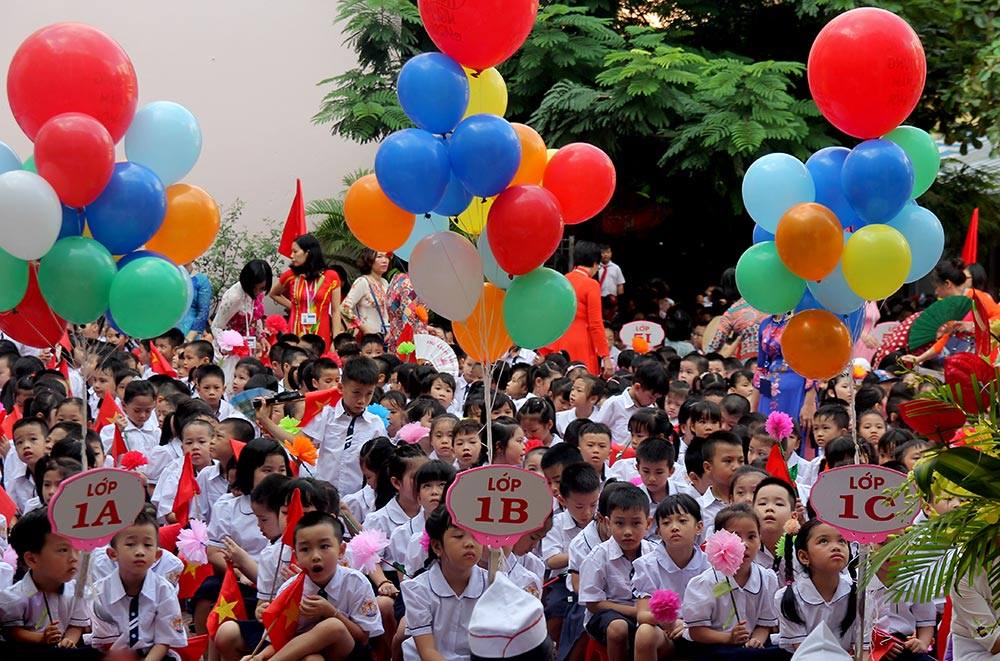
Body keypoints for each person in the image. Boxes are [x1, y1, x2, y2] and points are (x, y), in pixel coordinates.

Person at [89, 506, 187, 657]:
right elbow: (106, 643)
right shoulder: (99, 593)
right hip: (111, 653)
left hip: (153, 654)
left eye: (147, 545)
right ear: (112, 554)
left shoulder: (164, 590)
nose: (140, 551)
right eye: (130, 544)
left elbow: (164, 641)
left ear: (157, 555)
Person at [400, 505, 488, 661]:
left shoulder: (492, 584)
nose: (469, 543)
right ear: (437, 546)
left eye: (476, 536)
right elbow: (428, 651)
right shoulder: (418, 590)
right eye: (459, 536)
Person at [579, 484, 656, 661]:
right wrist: (635, 611)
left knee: (651, 632)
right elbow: (593, 604)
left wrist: (645, 613)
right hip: (606, 616)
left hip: (644, 613)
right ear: (607, 523)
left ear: (648, 523)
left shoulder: (655, 553)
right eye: (619, 523)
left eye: (636, 523)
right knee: (619, 628)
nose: (627, 532)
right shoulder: (598, 556)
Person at [776, 520, 861, 656]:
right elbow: (804, 652)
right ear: (804, 556)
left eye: (842, 541)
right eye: (823, 541)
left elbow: (864, 650)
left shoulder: (860, 596)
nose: (836, 547)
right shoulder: (788, 598)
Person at [547, 241, 611, 375]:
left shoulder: (563, 280)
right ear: (595, 263)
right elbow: (595, 324)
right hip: (582, 343)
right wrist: (605, 356)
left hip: (561, 341)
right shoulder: (591, 284)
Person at [270, 233, 343, 348]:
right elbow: (274, 294)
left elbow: (335, 311)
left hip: (321, 333)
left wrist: (336, 339)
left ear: (307, 253)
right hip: (295, 332)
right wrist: (294, 307)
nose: (291, 255)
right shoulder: (290, 275)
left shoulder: (331, 276)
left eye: (295, 251)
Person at [212, 259, 273, 387]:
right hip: (231, 353)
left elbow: (255, 317)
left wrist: (260, 336)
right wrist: (231, 345)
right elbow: (216, 327)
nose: (258, 292)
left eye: (262, 288)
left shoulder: (257, 293)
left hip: (249, 349)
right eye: (256, 288)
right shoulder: (234, 298)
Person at [755, 313, 815, 425]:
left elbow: (813, 363)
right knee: (766, 429)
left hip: (797, 386)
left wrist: (809, 404)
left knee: (794, 431)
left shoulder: (803, 321)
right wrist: (755, 406)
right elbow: (762, 367)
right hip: (768, 386)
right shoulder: (765, 323)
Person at [705, 269, 767, 362]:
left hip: (751, 360)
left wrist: (701, 356)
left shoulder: (730, 313)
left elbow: (715, 345)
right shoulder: (765, 301)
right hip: (775, 354)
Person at [341, 249, 390, 337]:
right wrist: (364, 328)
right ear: (369, 260)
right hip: (367, 337)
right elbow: (344, 308)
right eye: (379, 257)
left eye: (387, 257)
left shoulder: (385, 283)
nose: (385, 260)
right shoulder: (362, 281)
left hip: (384, 336)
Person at [386, 270, 429, 349]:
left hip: (395, 337)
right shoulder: (411, 283)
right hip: (410, 344)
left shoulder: (396, 278)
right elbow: (409, 319)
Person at [178, 262, 213, 340]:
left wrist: (191, 336)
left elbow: (203, 311)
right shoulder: (168, 276)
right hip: (167, 326)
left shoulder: (201, 280)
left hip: (189, 329)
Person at [597, 244, 625, 317]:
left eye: (608, 252)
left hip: (612, 299)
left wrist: (620, 302)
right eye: (603, 253)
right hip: (598, 298)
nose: (605, 255)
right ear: (599, 254)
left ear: (611, 253)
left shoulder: (616, 268)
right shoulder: (595, 267)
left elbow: (620, 285)